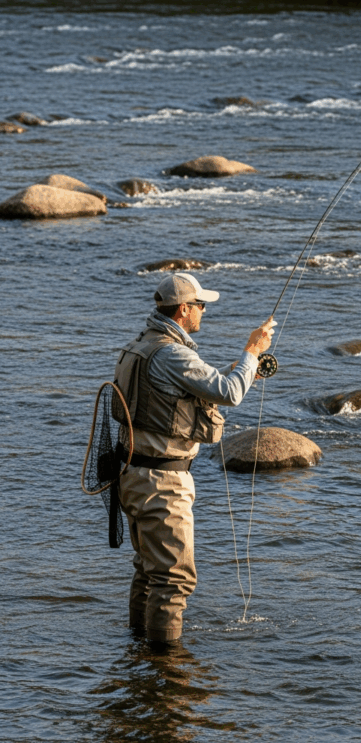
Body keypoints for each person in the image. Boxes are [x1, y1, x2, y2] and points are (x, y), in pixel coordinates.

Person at [114, 272, 276, 644]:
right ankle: (167, 672)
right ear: (184, 309)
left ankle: (138, 654)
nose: (204, 311)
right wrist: (251, 352)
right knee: (174, 579)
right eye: (201, 305)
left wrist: (247, 369)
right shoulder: (173, 353)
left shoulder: (139, 345)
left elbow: (184, 390)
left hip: (133, 474)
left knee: (148, 570)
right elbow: (229, 392)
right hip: (162, 482)